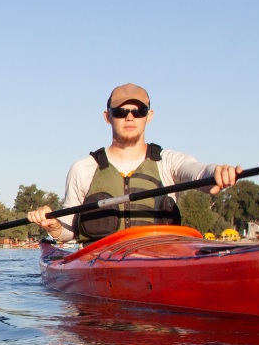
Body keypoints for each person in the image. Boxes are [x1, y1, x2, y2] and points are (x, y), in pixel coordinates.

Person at [27, 84, 240, 244]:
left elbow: (200, 173)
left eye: (139, 111)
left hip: (159, 259)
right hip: (100, 266)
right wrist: (53, 225)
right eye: (121, 112)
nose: (130, 117)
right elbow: (68, 232)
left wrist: (217, 173)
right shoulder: (83, 169)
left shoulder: (169, 162)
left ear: (149, 116)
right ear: (107, 116)